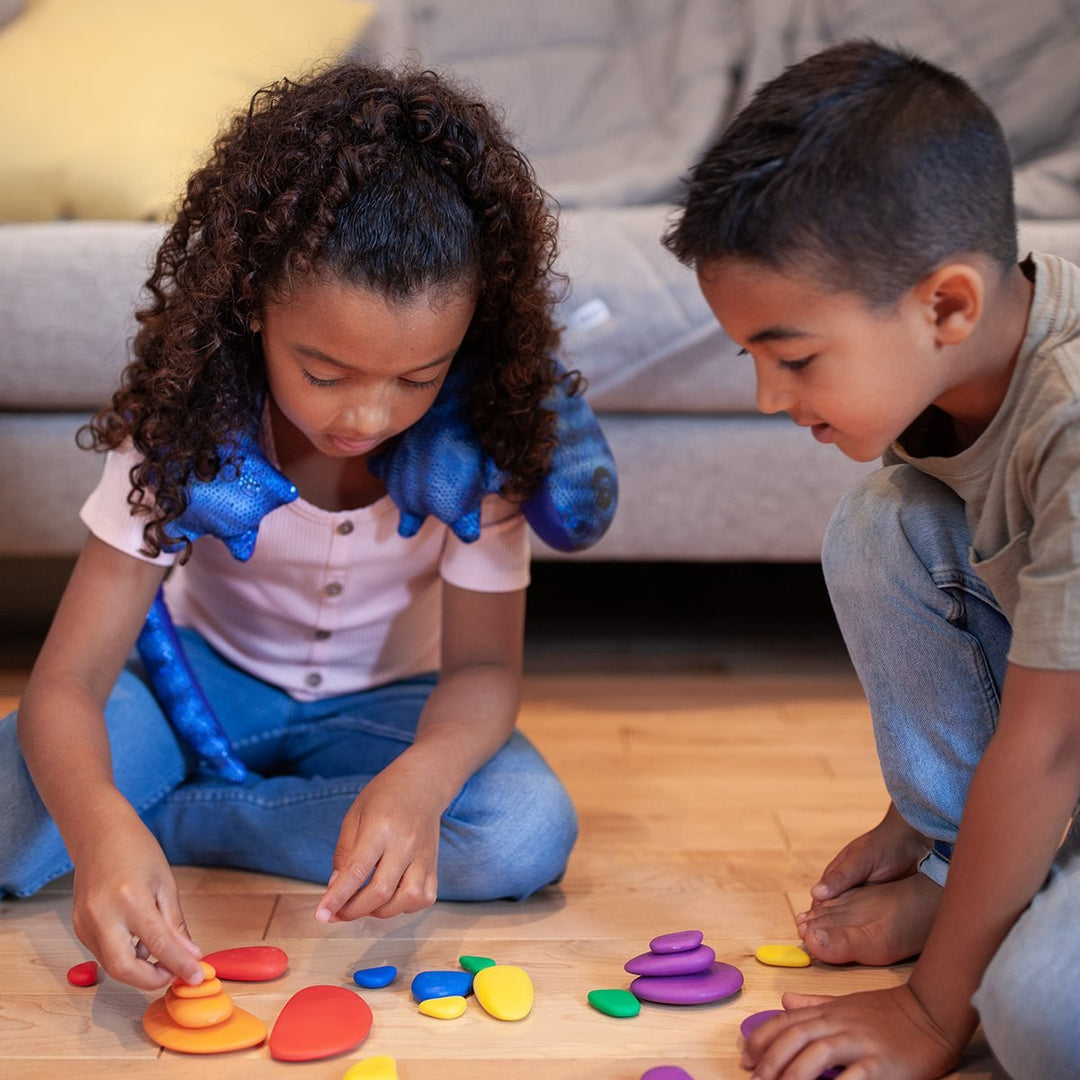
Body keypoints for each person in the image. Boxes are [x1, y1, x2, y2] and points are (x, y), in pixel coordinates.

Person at [0, 63, 582, 993]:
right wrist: (100, 825)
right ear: (252, 305)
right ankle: (148, 815)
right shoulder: (185, 424)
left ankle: (180, 817)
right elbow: (67, 681)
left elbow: (481, 671)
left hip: (389, 708)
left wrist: (420, 784)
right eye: (324, 373)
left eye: (417, 378)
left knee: (520, 832)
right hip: (200, 687)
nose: (368, 417)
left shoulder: (481, 446)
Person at [663, 39, 1080, 1080]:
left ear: (946, 306)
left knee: (1037, 1017)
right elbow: (981, 597)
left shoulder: (1070, 418)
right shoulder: (953, 373)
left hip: (1064, 745)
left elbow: (1051, 748)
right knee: (884, 521)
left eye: (794, 358)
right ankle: (969, 871)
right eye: (754, 358)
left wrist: (934, 1014)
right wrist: (918, 818)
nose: (770, 398)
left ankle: (995, 909)